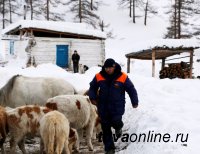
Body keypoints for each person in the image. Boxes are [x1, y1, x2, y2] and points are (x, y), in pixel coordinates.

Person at [88, 58, 138, 154]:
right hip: (103, 107)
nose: (108, 70)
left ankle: (119, 127)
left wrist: (134, 101)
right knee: (106, 128)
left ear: (114, 66)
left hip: (117, 107)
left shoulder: (122, 76)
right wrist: (92, 97)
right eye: (106, 68)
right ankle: (109, 149)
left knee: (116, 121)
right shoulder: (99, 76)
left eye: (110, 68)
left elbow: (131, 89)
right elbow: (93, 87)